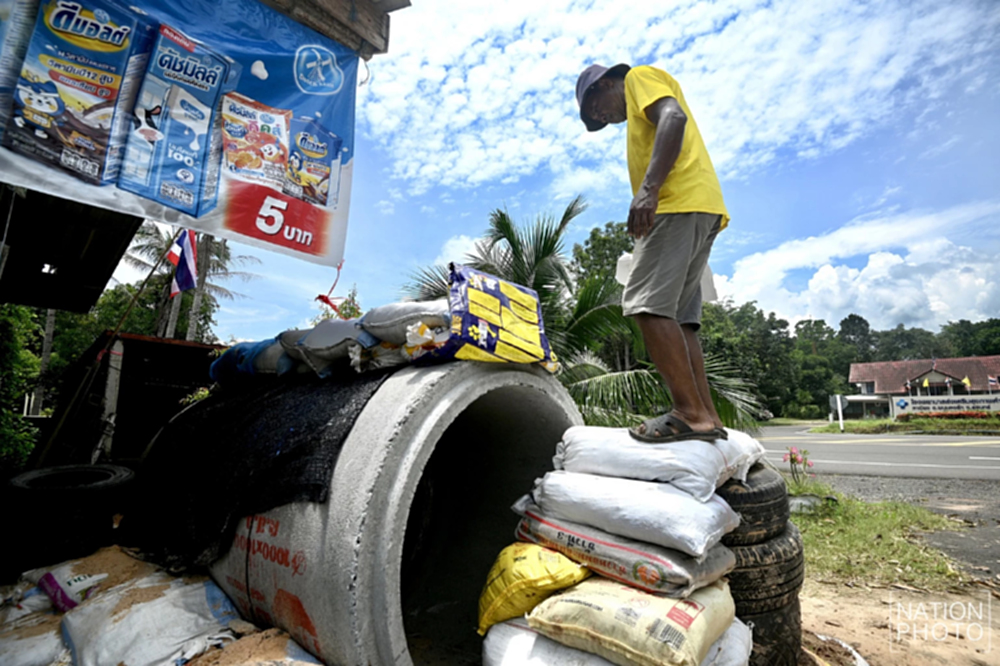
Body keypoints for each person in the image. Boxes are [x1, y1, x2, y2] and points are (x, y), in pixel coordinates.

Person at [575, 63, 730, 443]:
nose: (601, 117)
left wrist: (649, 190)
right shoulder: (635, 114)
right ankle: (707, 416)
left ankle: (689, 412)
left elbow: (672, 117)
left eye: (595, 106)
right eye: (594, 117)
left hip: (676, 204)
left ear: (607, 83)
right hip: (699, 205)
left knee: (645, 304)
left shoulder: (638, 78)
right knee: (679, 318)